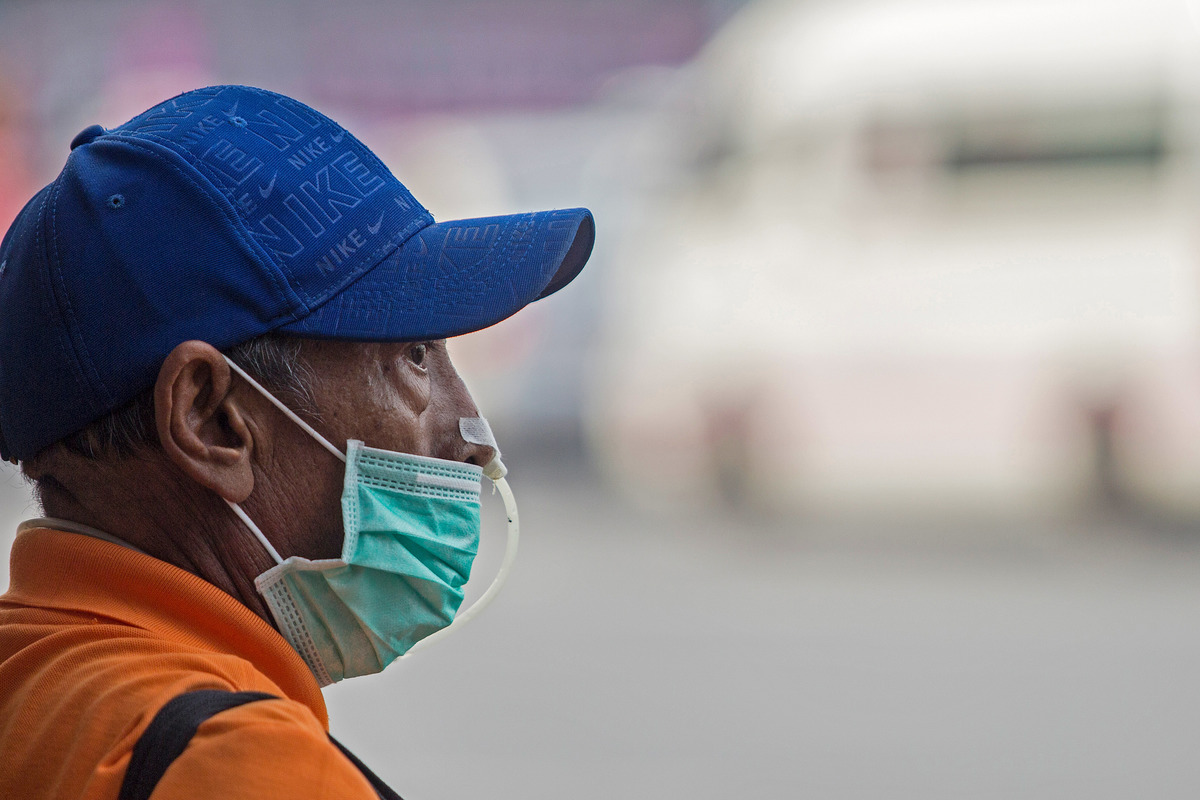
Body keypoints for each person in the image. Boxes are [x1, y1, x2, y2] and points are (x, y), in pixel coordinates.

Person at [0, 84, 594, 799]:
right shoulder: (250, 769)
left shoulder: (34, 684)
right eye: (411, 356)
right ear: (211, 421)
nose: (470, 435)